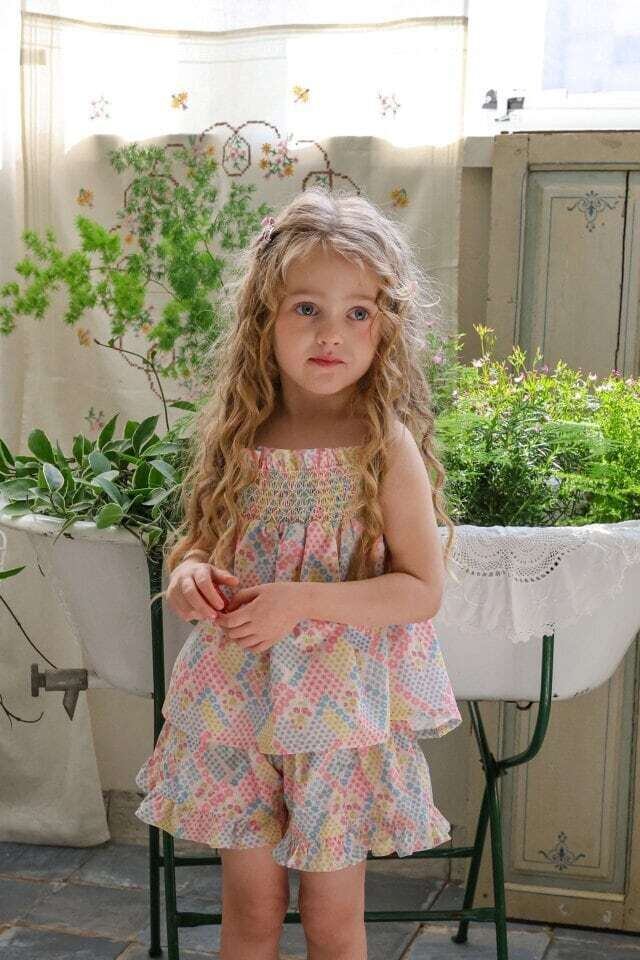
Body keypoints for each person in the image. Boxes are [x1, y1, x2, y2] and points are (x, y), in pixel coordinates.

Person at [134, 186, 462, 960]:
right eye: (306, 308)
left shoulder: (383, 444)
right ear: (264, 318)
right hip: (236, 705)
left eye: (359, 312)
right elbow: (198, 546)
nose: (331, 333)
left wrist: (299, 602)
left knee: (330, 921)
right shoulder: (238, 434)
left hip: (337, 718)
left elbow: (421, 590)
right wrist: (189, 576)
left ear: (386, 327)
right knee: (251, 913)